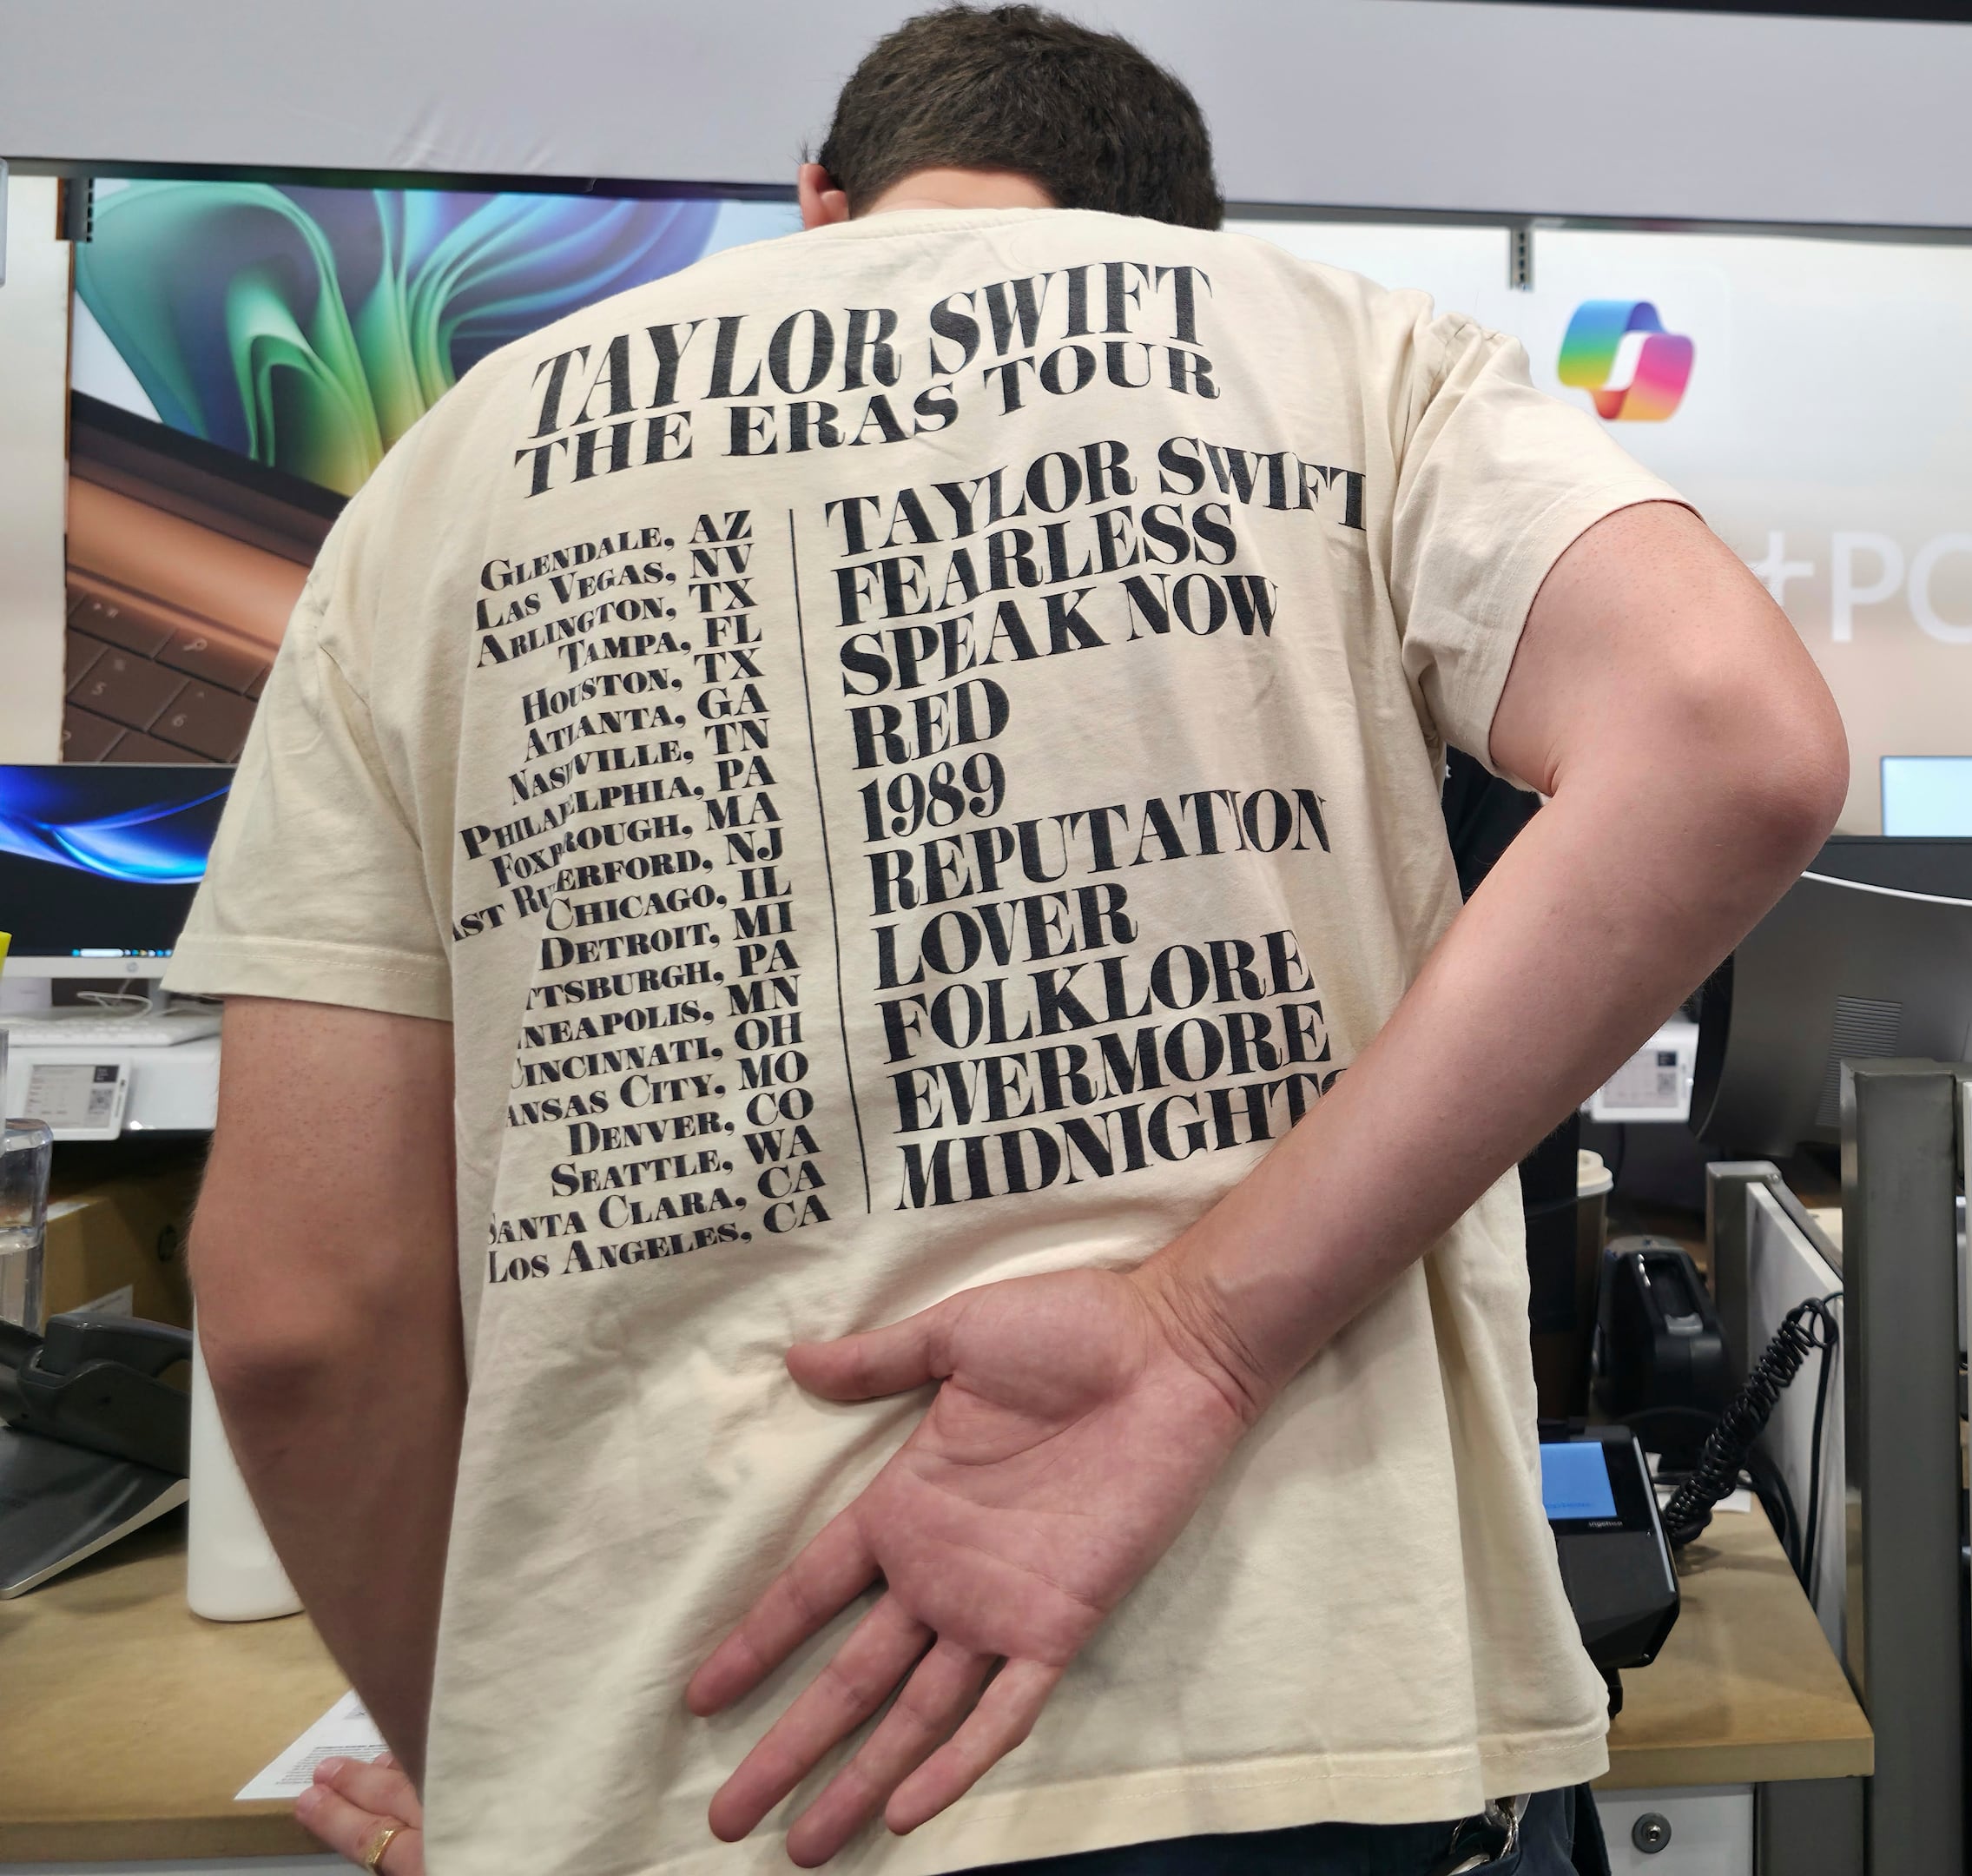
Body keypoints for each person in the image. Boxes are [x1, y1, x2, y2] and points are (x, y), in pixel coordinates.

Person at [175, 10, 1846, 1876]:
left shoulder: (441, 481)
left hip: (723, 1781)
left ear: (820, 200)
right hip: (1307, 1741)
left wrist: (499, 1779)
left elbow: (299, 1311)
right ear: (1174, 232)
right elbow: (1729, 740)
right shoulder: (1339, 351)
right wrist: (1198, 1336)